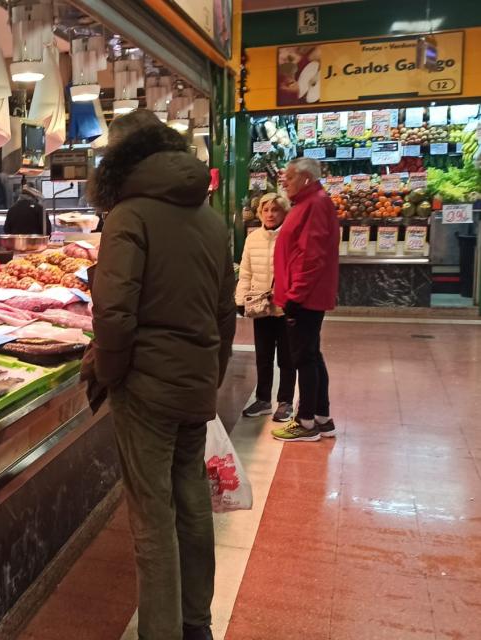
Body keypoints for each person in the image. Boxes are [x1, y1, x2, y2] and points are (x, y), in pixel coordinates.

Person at [83, 109, 236, 640]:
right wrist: (209, 378)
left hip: (145, 387)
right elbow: (224, 312)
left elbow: (114, 312)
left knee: (153, 522)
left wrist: (109, 373)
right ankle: (197, 626)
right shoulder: (211, 218)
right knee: (193, 505)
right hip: (193, 384)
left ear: (121, 161)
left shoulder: (130, 215)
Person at [271, 157, 340, 442]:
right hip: (307, 296)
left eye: (288, 176)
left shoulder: (314, 204)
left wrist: (295, 297)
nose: (284, 181)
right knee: (312, 355)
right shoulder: (309, 203)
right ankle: (322, 417)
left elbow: (311, 257)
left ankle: (306, 422)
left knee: (303, 358)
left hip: (305, 297)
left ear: (306, 179)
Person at [236, 192, 296, 423]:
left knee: (287, 357)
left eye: (275, 210)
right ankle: (263, 399)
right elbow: (245, 272)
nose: (270, 214)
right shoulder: (252, 239)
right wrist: (240, 300)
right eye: (266, 210)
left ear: (284, 212)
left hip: (285, 306)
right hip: (260, 307)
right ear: (260, 213)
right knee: (263, 355)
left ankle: (285, 401)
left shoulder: (291, 237)